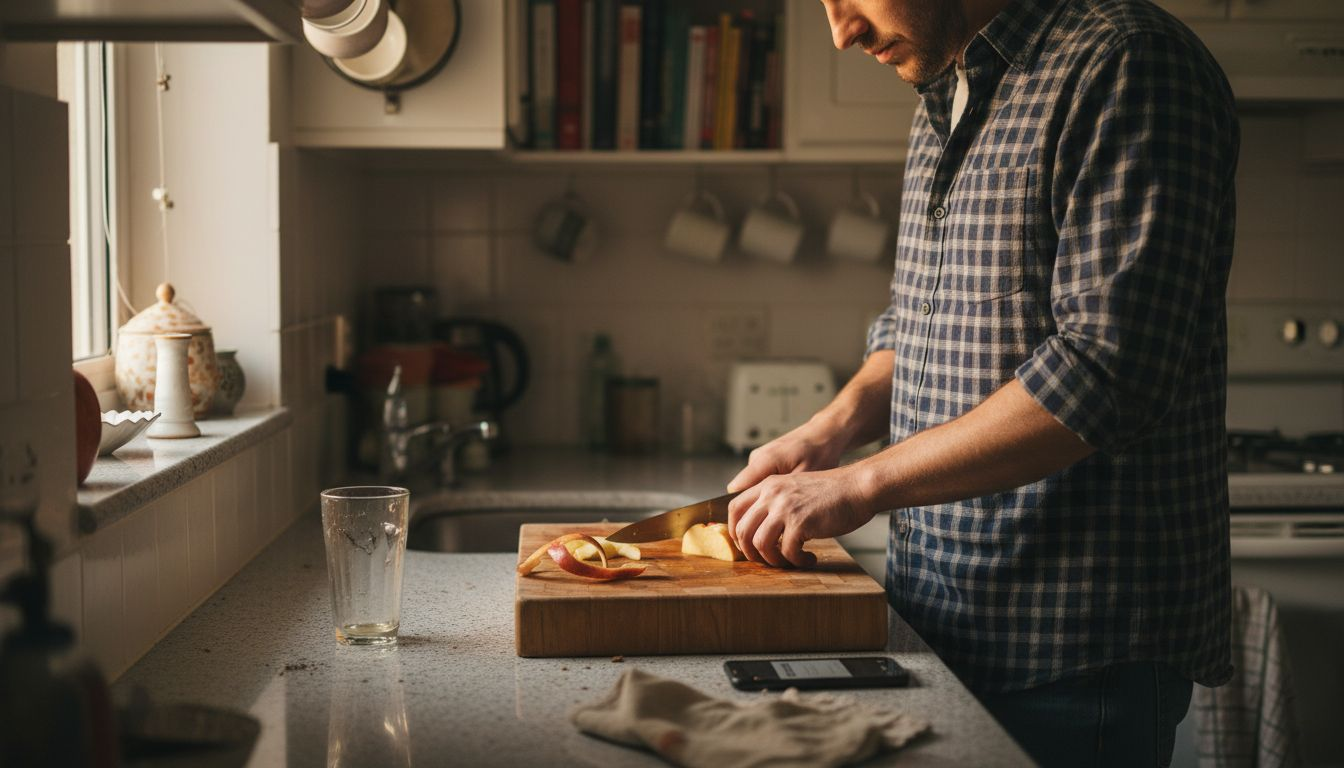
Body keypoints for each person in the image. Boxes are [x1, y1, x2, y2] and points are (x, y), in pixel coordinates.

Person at [725, 0, 1238, 765]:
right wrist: (825, 435)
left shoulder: (1127, 64)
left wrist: (859, 486)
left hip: (1072, 652)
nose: (841, 31)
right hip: (940, 625)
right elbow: (916, 327)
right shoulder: (947, 91)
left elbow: (1104, 370)